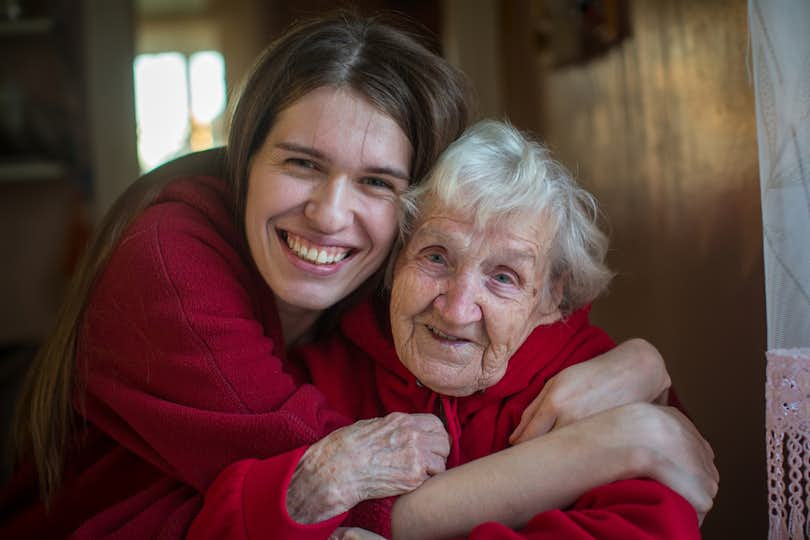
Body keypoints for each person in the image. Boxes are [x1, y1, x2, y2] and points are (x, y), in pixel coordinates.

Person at [1, 12, 712, 540]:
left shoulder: (388, 286)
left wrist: (642, 368)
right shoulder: (172, 254)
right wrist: (622, 442)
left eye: (375, 181)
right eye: (302, 162)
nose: (329, 214)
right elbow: (319, 484)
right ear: (245, 155)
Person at [191, 121, 718, 539]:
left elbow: (654, 527)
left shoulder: (593, 382)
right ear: (396, 258)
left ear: (553, 294)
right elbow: (223, 523)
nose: (458, 307)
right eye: (437, 257)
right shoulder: (317, 371)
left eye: (504, 277)